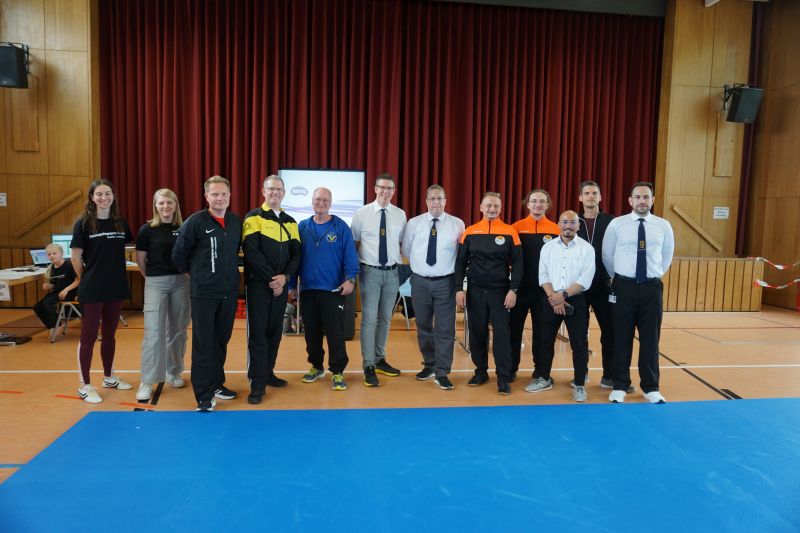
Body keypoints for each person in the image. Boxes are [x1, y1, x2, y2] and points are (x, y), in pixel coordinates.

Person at [172, 175, 242, 412]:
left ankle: (216, 384)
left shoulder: (235, 222)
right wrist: (196, 275)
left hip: (229, 293)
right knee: (203, 344)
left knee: (221, 341)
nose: (219, 198)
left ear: (229, 196)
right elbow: (178, 255)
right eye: (215, 194)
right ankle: (203, 395)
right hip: (203, 295)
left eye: (223, 194)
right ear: (207, 197)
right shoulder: (195, 222)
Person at [602, 182, 674, 404]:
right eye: (638, 197)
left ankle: (651, 387)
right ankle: (620, 385)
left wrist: (651, 276)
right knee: (621, 338)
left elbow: (667, 256)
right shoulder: (617, 224)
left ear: (652, 200)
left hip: (651, 288)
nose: (642, 201)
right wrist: (622, 277)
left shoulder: (663, 226)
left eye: (646, 197)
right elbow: (607, 255)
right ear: (630, 200)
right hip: (623, 287)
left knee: (651, 340)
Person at [70, 179, 134, 403]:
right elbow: (75, 257)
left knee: (109, 335)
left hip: (115, 286)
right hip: (93, 287)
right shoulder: (83, 224)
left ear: (113, 197)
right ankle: (84, 385)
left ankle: (109, 377)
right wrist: (85, 278)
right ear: (92, 197)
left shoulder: (119, 223)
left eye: (108, 193)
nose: (104, 197)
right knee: (88, 337)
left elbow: (126, 248)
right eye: (99, 194)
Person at [290, 188, 359, 391]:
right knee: (311, 333)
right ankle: (316, 366)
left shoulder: (341, 227)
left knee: (336, 333)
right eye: (318, 199)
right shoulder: (302, 227)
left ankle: (337, 371)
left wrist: (350, 280)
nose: (321, 203)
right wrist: (292, 285)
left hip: (333, 290)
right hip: (308, 290)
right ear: (312, 202)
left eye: (325, 200)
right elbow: (294, 259)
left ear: (330, 203)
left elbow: (350, 255)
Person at [241, 175, 301, 404]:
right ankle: (257, 383)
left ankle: (268, 373)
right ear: (263, 191)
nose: (275, 192)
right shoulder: (253, 217)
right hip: (259, 285)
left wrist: (285, 278)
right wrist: (272, 279)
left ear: (283, 193)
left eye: (279, 189)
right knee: (258, 335)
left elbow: (297, 254)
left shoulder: (291, 222)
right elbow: (251, 251)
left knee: (274, 333)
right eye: (271, 189)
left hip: (281, 285)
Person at [454, 192, 522, 395]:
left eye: (496, 206)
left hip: (500, 292)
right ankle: (481, 371)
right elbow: (460, 264)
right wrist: (459, 289)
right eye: (488, 206)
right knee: (477, 333)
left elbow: (518, 264)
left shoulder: (510, 232)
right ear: (481, 207)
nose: (492, 209)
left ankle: (503, 377)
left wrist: (513, 290)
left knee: (502, 335)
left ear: (500, 209)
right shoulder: (469, 232)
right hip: (475, 291)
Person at [401, 185, 465, 390]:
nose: (436, 202)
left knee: (445, 328)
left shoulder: (457, 224)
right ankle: (429, 364)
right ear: (426, 201)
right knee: (424, 326)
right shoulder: (414, 223)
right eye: (432, 198)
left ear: (445, 201)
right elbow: (407, 250)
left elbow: (461, 255)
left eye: (440, 198)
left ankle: (442, 371)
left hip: (446, 282)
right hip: (419, 281)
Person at [350, 173, 407, 387]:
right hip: (369, 272)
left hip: (392, 273)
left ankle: (380, 359)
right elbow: (354, 244)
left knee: (385, 319)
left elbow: (400, 244)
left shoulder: (400, 215)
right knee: (369, 320)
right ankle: (368, 365)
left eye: (389, 188)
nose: (385, 191)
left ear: (393, 191)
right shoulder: (361, 213)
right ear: (375, 189)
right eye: (382, 187)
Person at [134, 189, 190, 401]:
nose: (166, 206)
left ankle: (173, 372)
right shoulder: (146, 230)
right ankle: (147, 380)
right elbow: (141, 260)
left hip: (181, 283)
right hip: (156, 283)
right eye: (161, 203)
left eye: (169, 203)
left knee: (178, 330)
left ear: (175, 205)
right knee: (153, 332)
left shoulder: (184, 228)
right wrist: (152, 278)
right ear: (155, 206)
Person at [534, 210, 596, 402]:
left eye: (572, 222)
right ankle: (543, 378)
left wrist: (564, 295)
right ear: (558, 224)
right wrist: (554, 297)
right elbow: (543, 275)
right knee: (545, 341)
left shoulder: (587, 249)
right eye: (564, 222)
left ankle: (579, 384)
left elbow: (585, 279)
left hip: (575, 299)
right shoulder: (548, 247)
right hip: (551, 298)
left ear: (578, 225)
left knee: (579, 345)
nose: (568, 226)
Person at [577, 180, 626, 391]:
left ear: (600, 197)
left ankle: (610, 376)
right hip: (578, 286)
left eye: (594, 193)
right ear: (580, 198)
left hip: (604, 284)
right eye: (587, 193)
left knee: (610, 332)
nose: (590, 196)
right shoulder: (573, 221)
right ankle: (581, 374)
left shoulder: (612, 222)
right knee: (580, 333)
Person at [33, 243, 79, 334]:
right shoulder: (51, 268)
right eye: (49, 254)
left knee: (47, 303)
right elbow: (55, 284)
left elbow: (78, 280)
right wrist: (49, 286)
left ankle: (57, 325)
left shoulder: (69, 265)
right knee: (37, 307)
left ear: (61, 253)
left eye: (54, 253)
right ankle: (51, 326)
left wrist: (66, 290)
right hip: (58, 292)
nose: (52, 256)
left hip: (70, 292)